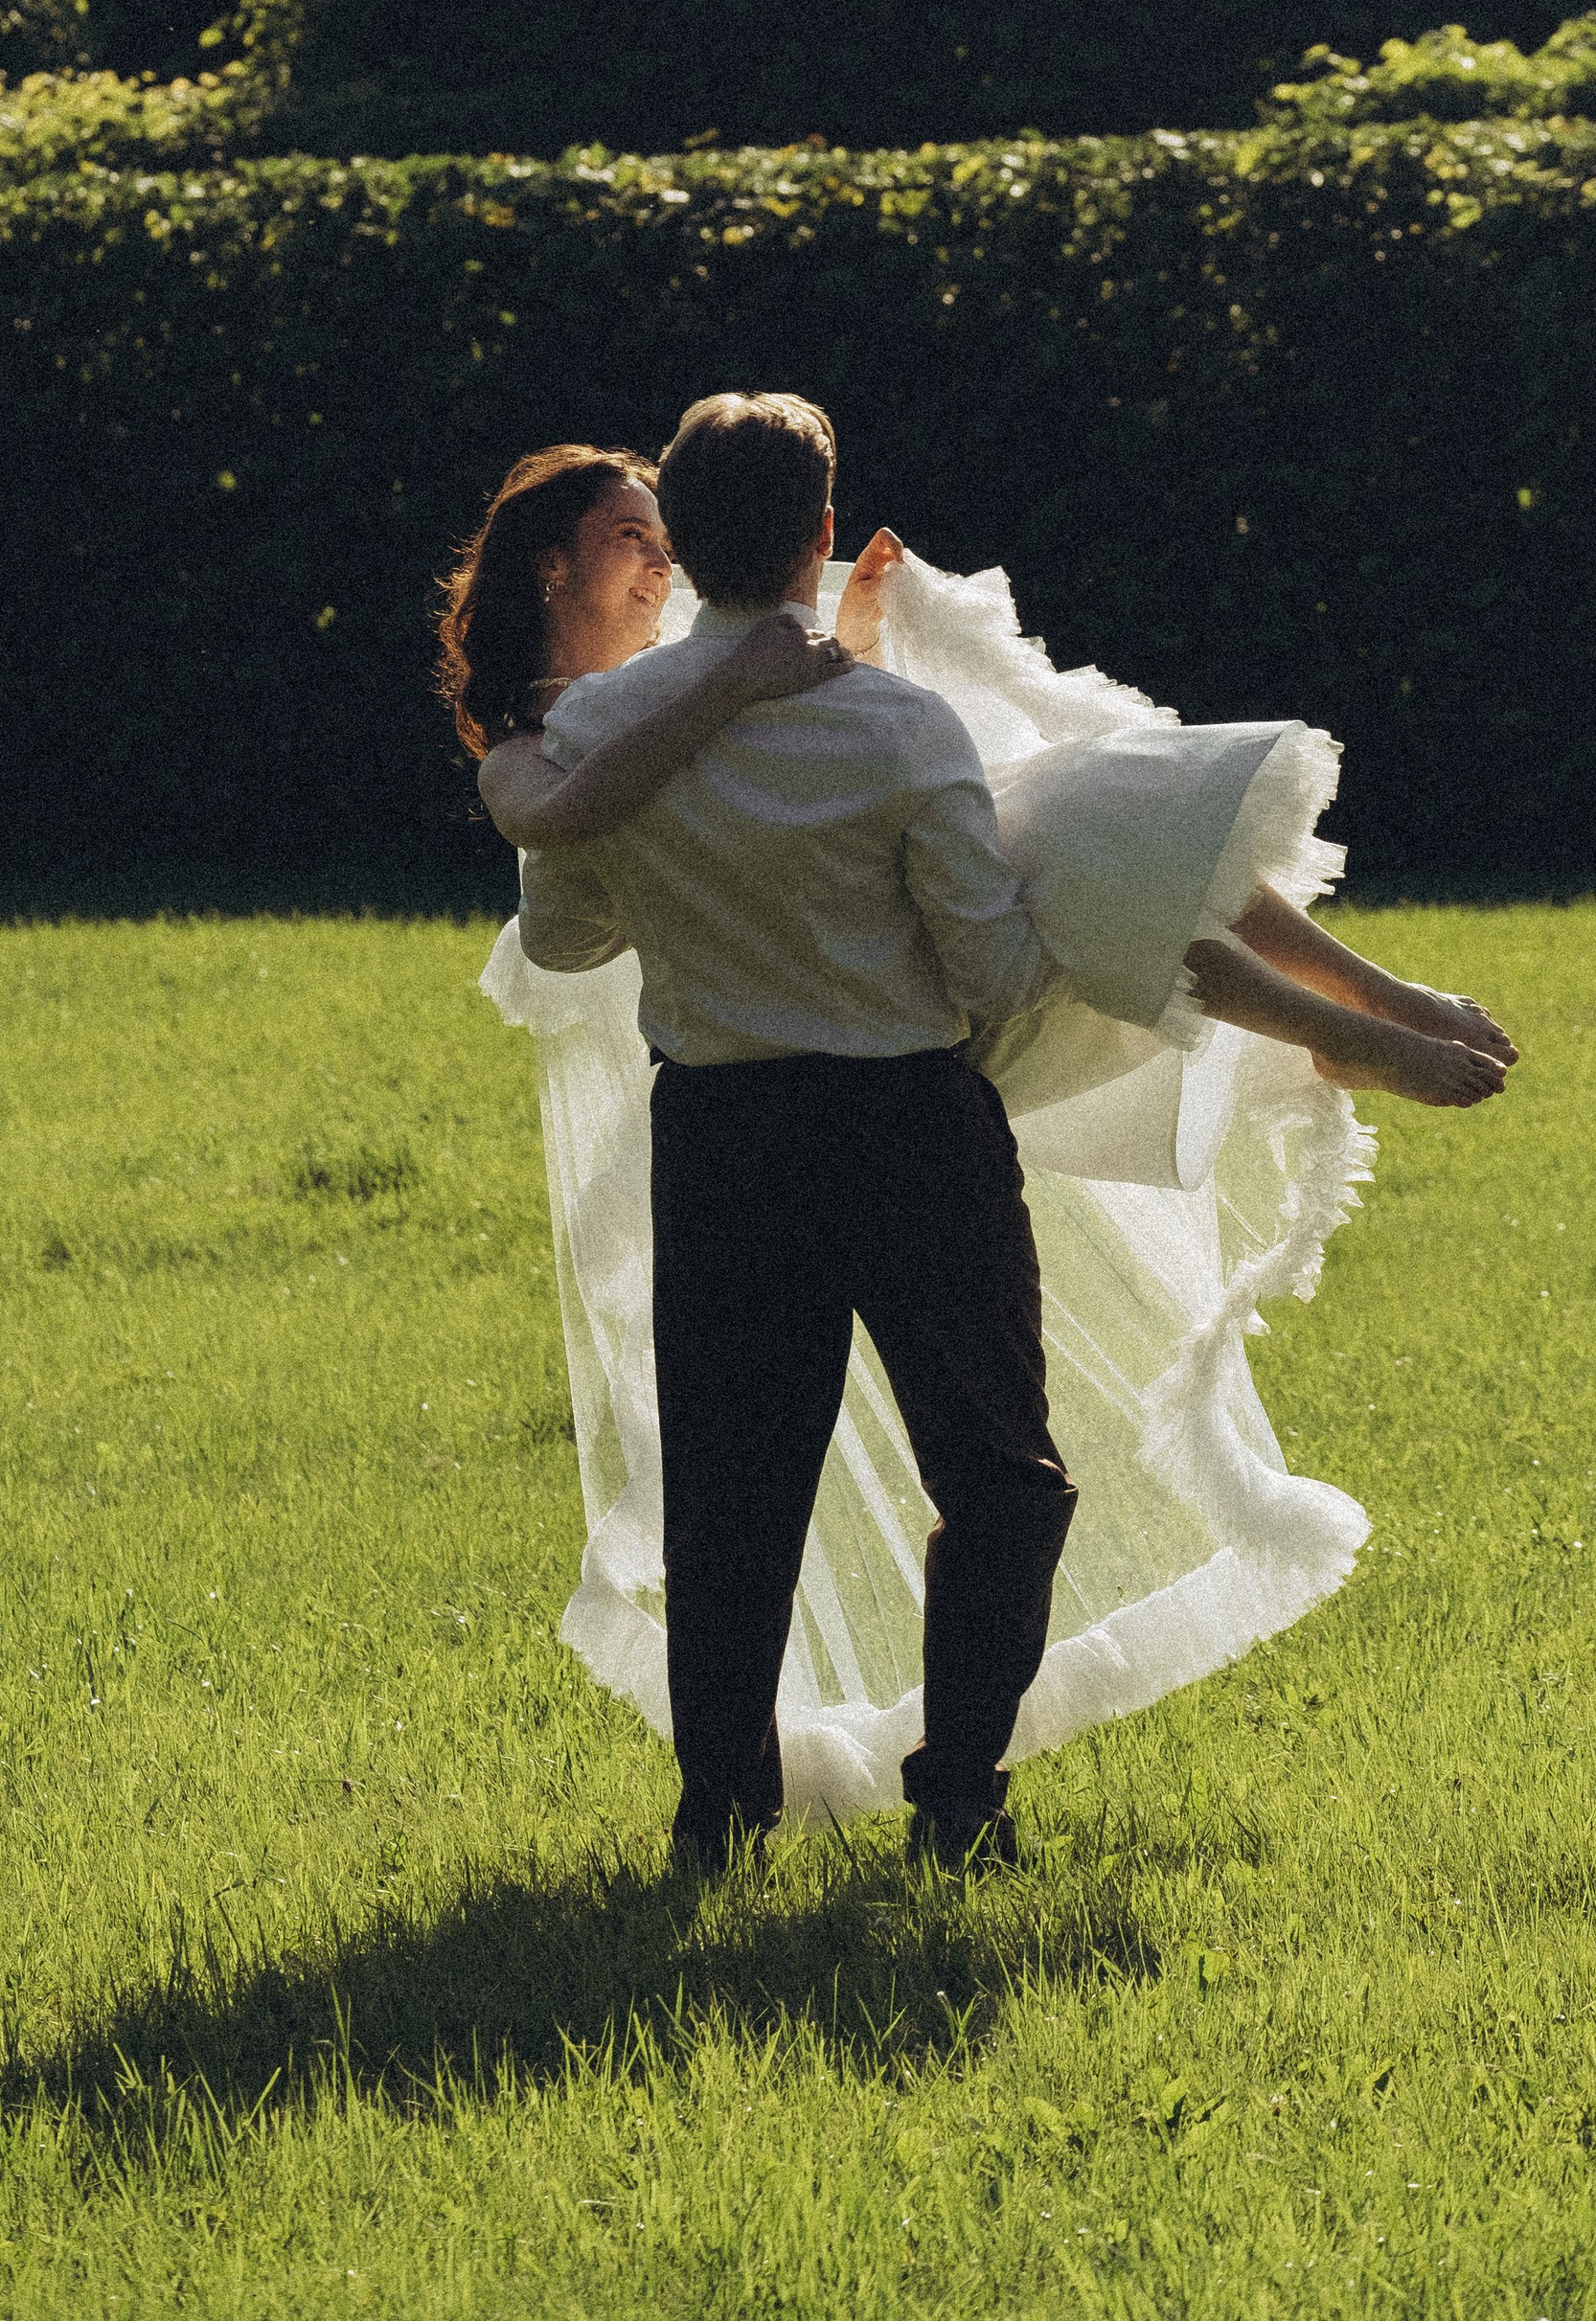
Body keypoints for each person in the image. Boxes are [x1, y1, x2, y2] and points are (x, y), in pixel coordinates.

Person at [439, 404, 1515, 1870]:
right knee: (1002, 1476)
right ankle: (957, 1795)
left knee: (732, 1490)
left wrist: (726, 897)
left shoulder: (598, 733)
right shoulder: (897, 728)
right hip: (907, 1130)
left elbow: (566, 945)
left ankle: (723, 1814)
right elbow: (998, 976)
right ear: (820, 539)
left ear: (683, 548)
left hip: (725, 1135)